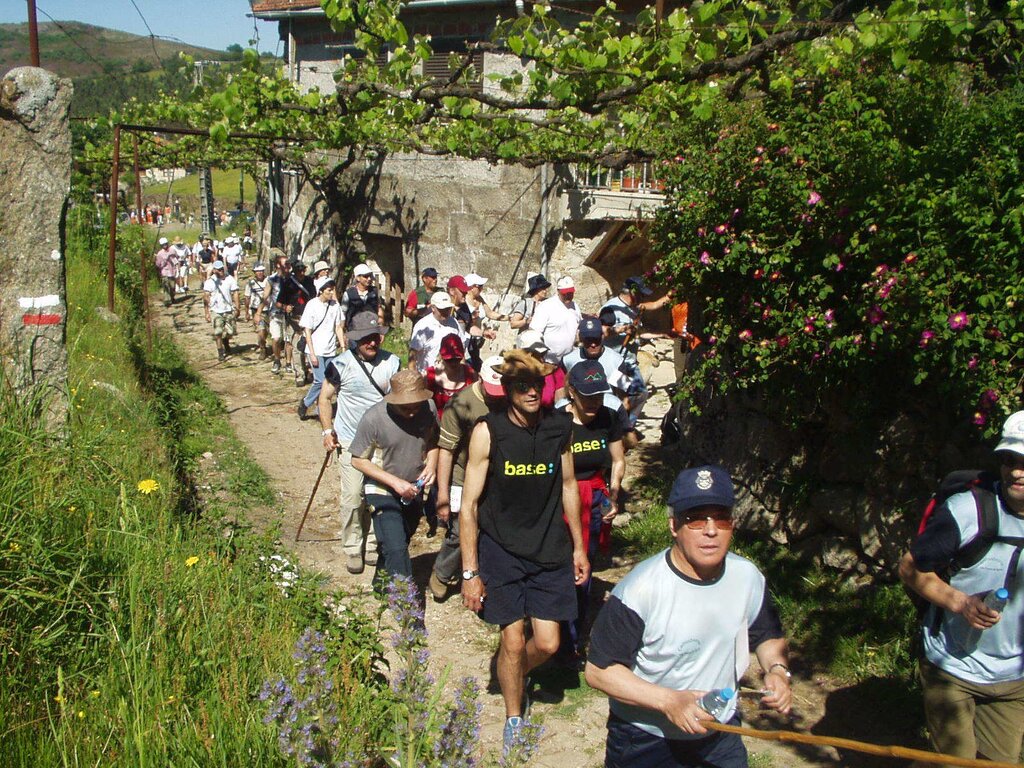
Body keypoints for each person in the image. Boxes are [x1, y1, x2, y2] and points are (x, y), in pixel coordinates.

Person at [585, 465, 792, 768]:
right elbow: (600, 670)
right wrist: (669, 701)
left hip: (719, 731)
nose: (710, 530)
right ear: (673, 526)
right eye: (694, 519)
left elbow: (768, 635)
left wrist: (776, 670)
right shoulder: (640, 590)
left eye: (720, 518)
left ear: (732, 524)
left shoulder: (747, 577)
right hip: (645, 737)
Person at [459, 349, 590, 754]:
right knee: (514, 642)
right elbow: (469, 505)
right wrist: (470, 571)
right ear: (508, 390)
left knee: (548, 644)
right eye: (522, 385)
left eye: (538, 384)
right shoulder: (489, 430)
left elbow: (569, 486)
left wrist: (579, 547)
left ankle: (509, 673)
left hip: (549, 545)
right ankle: (514, 716)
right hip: (500, 547)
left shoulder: (560, 428)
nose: (532, 391)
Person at [898, 410, 1024, 766]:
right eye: (1010, 460)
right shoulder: (968, 511)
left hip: (1014, 677)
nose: (1016, 471)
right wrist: (960, 603)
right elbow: (909, 567)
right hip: (952, 666)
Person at [319, 311, 400, 574]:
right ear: (355, 339)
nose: (373, 343)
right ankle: (353, 547)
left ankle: (374, 544)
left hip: (382, 443)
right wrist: (326, 430)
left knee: (378, 497)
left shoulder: (393, 363)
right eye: (366, 338)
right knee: (353, 497)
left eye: (376, 337)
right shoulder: (340, 365)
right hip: (351, 442)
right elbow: (324, 399)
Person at [557, 359, 625, 663]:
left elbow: (618, 460)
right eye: (588, 396)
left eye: (599, 395)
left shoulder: (608, 419)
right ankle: (553, 631)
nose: (595, 403)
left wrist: (613, 495)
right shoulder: (557, 421)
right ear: (572, 391)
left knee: (585, 566)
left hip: (594, 499)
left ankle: (572, 637)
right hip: (560, 500)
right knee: (560, 565)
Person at [427, 355, 505, 603]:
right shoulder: (460, 404)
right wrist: (442, 494)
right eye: (492, 390)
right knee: (460, 530)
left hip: (495, 473)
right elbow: (446, 450)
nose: (496, 396)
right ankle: (441, 573)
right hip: (463, 476)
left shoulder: (509, 398)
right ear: (480, 379)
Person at [350, 370, 439, 582]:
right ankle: (405, 605)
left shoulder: (429, 408)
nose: (412, 411)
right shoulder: (373, 418)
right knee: (397, 547)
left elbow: (433, 441)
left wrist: (432, 465)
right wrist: (395, 482)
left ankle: (381, 583)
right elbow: (357, 460)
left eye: (416, 405)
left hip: (413, 488)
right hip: (381, 488)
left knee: (399, 541)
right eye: (406, 407)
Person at [562, 316, 641, 447]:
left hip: (605, 415)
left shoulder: (616, 361)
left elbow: (624, 397)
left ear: (602, 337)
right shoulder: (568, 360)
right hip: (577, 415)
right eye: (588, 340)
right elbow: (561, 392)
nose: (593, 344)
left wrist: (623, 425)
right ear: (581, 339)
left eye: (596, 340)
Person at [297, 277, 344, 421]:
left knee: (331, 380)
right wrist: (311, 353)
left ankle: (321, 406)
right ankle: (306, 403)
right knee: (319, 380)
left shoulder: (335, 306)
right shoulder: (312, 305)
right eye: (329, 290)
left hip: (330, 349)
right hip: (316, 349)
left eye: (333, 290)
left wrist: (342, 346)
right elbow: (307, 330)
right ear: (321, 290)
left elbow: (338, 327)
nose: (332, 293)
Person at [529, 275, 582, 364]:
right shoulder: (546, 307)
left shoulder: (575, 306)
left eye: (570, 293)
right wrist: (539, 356)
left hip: (571, 360)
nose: (568, 296)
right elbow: (534, 333)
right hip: (550, 361)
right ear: (558, 291)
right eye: (565, 293)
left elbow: (579, 326)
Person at [409, 291, 464, 374]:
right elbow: (413, 355)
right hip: (427, 376)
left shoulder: (454, 323)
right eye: (442, 309)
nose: (446, 312)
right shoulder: (423, 326)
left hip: (450, 375)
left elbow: (461, 349)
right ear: (433, 308)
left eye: (448, 309)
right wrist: (414, 377)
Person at [424, 334, 477, 418]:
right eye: (449, 359)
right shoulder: (430, 375)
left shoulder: (470, 374)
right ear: (441, 355)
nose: (453, 363)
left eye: (457, 359)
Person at [202, 260, 240, 361]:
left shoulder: (230, 279)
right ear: (214, 270)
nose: (221, 271)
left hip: (228, 309)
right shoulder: (209, 282)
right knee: (218, 331)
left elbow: (235, 293)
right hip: (216, 310)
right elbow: (206, 297)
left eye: (222, 269)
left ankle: (225, 341)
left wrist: (237, 307)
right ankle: (220, 352)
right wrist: (207, 312)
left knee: (231, 331)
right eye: (218, 269)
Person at [340, 263, 385, 342]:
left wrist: (381, 329)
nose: (369, 279)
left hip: (372, 331)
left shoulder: (374, 292)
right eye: (365, 276)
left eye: (369, 276)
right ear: (358, 278)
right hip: (354, 332)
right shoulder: (349, 294)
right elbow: (343, 314)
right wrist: (343, 333)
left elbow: (379, 310)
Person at [244, 264, 271, 359]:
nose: (260, 273)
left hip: (269, 309)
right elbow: (247, 297)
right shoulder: (251, 283)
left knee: (267, 331)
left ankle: (263, 343)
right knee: (261, 330)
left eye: (261, 271)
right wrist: (246, 311)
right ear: (254, 272)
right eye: (257, 271)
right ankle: (263, 348)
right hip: (256, 309)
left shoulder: (269, 280)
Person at [153, 237, 179, 307]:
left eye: (165, 244)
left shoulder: (172, 250)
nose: (165, 245)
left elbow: (176, 258)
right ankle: (167, 300)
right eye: (163, 244)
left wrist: (177, 267)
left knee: (172, 286)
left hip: (172, 271)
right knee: (166, 285)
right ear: (161, 245)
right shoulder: (160, 254)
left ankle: (172, 297)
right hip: (164, 271)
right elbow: (158, 264)